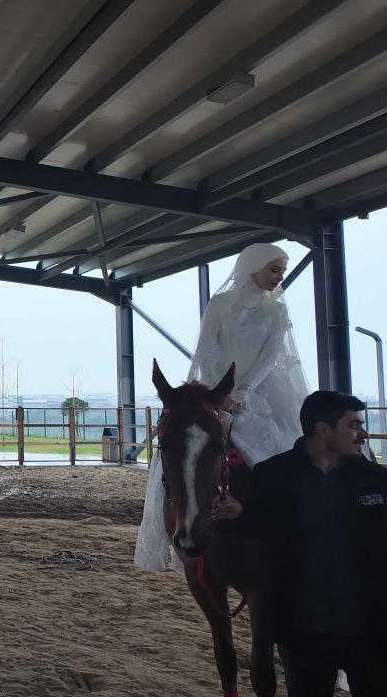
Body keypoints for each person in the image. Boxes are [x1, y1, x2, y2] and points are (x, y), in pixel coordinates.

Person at [214, 391, 387, 697]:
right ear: (323, 430)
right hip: (303, 638)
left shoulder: (382, 483)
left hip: (377, 636)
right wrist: (239, 516)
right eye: (353, 425)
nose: (363, 433)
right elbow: (262, 533)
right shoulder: (273, 476)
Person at [135, 242, 310, 572]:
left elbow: (271, 355)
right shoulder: (221, 303)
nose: (278, 277)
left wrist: (242, 392)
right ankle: (171, 523)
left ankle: (282, 524)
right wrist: (218, 393)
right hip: (214, 389)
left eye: (282, 271)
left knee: (285, 450)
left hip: (259, 391)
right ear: (253, 267)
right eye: (274, 270)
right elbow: (208, 347)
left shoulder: (276, 310)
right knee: (174, 455)